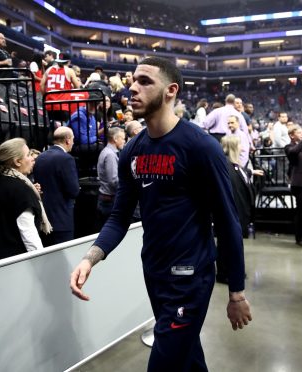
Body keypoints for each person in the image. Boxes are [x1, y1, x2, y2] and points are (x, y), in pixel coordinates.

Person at [70, 57, 252, 371]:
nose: (132, 88)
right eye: (132, 81)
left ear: (171, 91)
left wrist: (236, 291)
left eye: (144, 81)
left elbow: (227, 222)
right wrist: (90, 258)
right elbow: (119, 216)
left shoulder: (200, 147)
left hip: (190, 277)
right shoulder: (132, 150)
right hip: (154, 272)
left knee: (164, 364)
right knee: (189, 359)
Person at [0, 138, 52, 261]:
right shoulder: (20, 189)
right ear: (17, 161)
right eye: (28, 155)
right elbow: (28, 233)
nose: (32, 159)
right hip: (16, 260)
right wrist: (41, 261)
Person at [33, 127, 80, 245]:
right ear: (68, 140)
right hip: (62, 219)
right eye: (73, 139)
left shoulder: (40, 157)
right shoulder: (66, 159)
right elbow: (73, 190)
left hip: (44, 219)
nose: (73, 142)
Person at [41, 52, 81, 127]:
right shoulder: (69, 71)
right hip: (63, 105)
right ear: (69, 61)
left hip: (50, 104)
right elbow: (78, 86)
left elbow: (41, 85)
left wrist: (46, 96)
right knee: (63, 130)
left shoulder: (49, 69)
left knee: (52, 128)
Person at [96, 127, 126, 227]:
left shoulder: (108, 152)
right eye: (122, 138)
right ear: (115, 139)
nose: (124, 141)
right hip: (109, 201)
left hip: (107, 200)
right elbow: (113, 181)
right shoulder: (110, 155)